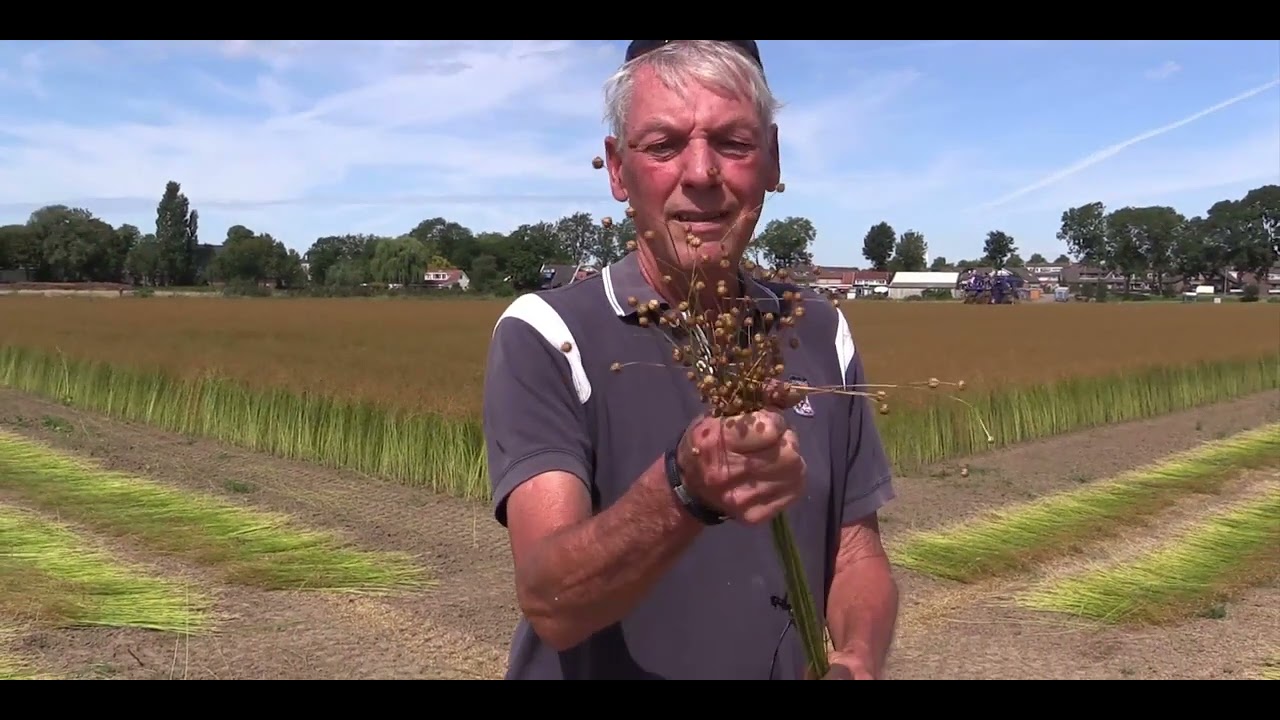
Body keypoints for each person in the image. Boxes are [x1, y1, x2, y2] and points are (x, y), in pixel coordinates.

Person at [482, 39, 899, 680]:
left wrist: (857, 658)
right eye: (664, 145)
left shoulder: (820, 332)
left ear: (772, 161)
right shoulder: (549, 335)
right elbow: (551, 602)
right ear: (619, 170)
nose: (701, 173)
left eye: (733, 142)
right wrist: (685, 491)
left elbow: (856, 555)